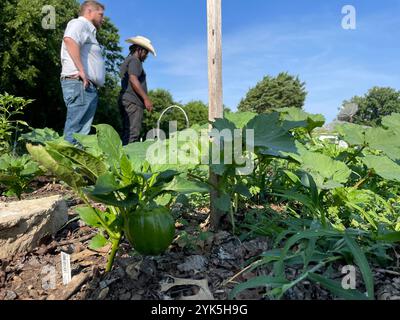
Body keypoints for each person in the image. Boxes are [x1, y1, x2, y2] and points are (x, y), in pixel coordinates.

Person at [60, 1, 106, 144]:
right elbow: (70, 40)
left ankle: (74, 165)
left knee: (81, 135)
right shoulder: (79, 24)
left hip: (87, 86)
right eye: (101, 15)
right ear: (89, 11)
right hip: (80, 83)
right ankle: (63, 164)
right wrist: (81, 70)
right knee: (75, 129)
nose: (103, 19)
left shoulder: (89, 30)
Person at [119, 36, 156, 145]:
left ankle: (122, 157)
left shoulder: (128, 60)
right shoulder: (135, 60)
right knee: (132, 133)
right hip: (133, 102)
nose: (146, 56)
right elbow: (133, 79)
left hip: (127, 100)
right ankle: (128, 160)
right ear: (139, 50)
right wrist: (146, 99)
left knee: (127, 132)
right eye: (146, 52)